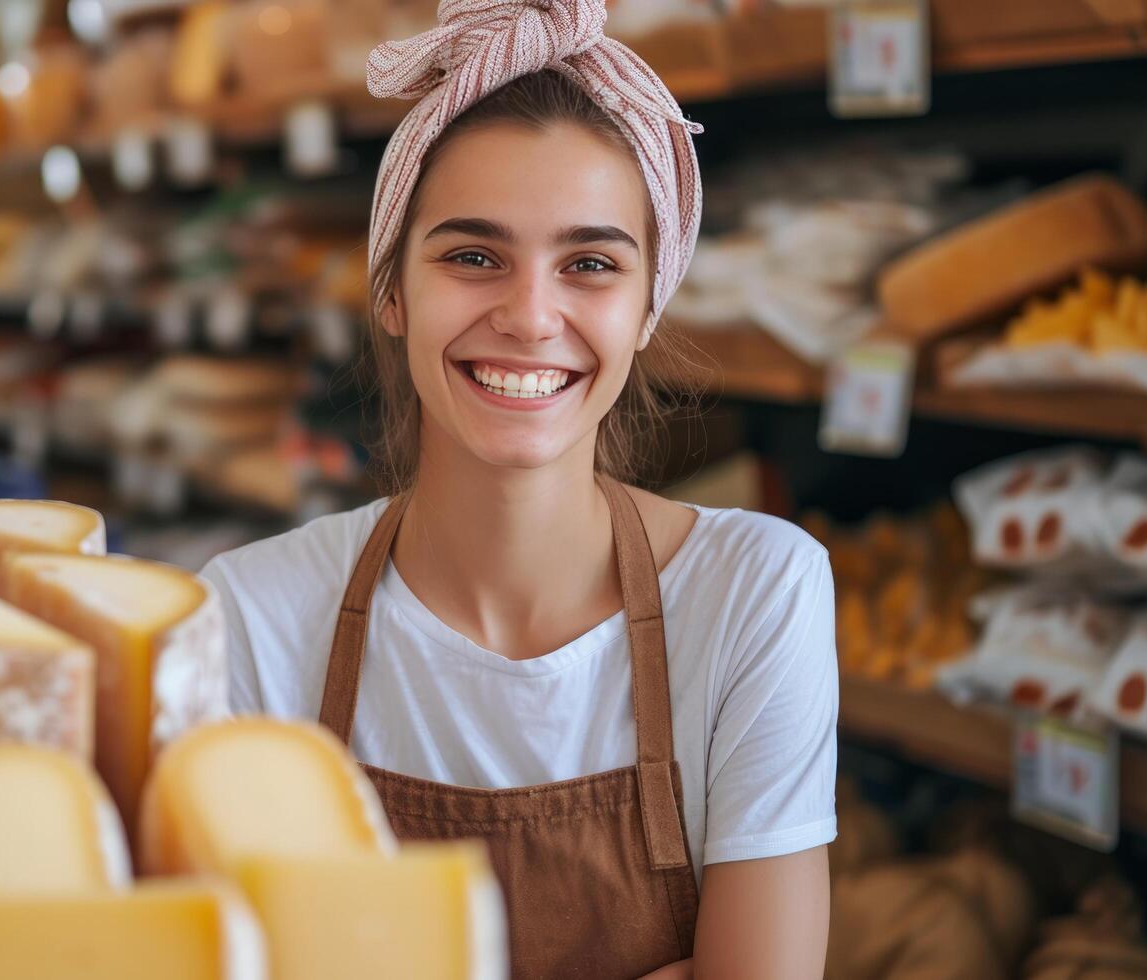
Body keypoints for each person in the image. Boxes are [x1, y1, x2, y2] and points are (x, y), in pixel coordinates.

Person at [200, 2, 836, 977]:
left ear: (645, 301)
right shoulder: (252, 614)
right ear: (391, 289)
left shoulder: (755, 591)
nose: (532, 316)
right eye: (472, 256)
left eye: (589, 264)